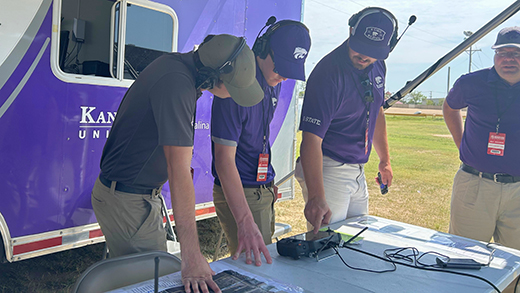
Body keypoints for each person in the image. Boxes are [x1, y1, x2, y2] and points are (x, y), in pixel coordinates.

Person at [91, 34, 263, 293]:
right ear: (211, 76)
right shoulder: (177, 84)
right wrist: (191, 255)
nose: (233, 97)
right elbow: (179, 169)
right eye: (234, 89)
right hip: (129, 201)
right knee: (155, 285)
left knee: (145, 281)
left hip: (131, 196)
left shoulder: (178, 69)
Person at [211, 20, 311, 265]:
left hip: (261, 187)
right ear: (262, 49)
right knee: (258, 269)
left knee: (266, 265)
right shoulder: (236, 87)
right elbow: (224, 161)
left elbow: (260, 138)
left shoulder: (271, 81)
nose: (284, 77)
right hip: (242, 191)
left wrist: (267, 179)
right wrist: (245, 219)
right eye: (281, 68)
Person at [295, 7, 396, 233]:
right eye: (360, 47)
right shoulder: (327, 74)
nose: (364, 56)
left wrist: (384, 159)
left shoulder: (378, 65)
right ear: (350, 31)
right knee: (325, 247)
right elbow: (310, 140)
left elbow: (377, 110)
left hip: (358, 170)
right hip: (329, 168)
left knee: (355, 242)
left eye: (374, 51)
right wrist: (317, 196)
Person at [443, 27, 520, 250]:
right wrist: (462, 145)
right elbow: (450, 108)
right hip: (475, 183)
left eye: (516, 54)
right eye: (502, 53)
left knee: (515, 265)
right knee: (464, 257)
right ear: (494, 55)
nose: (508, 59)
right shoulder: (471, 83)